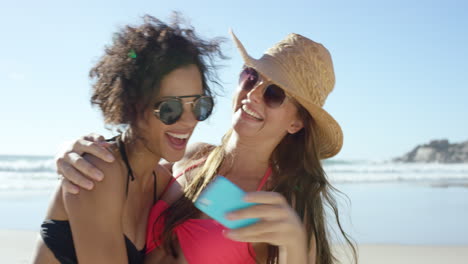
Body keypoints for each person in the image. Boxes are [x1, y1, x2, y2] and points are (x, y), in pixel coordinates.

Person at [56, 31, 357, 263]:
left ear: (296, 124)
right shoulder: (192, 157)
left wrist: (294, 243)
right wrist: (75, 150)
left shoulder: (282, 198)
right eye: (251, 77)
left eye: (275, 94)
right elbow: (128, 175)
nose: (252, 95)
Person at [32, 14, 224, 264]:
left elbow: (241, 221)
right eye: (170, 108)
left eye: (199, 105)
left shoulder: (163, 182)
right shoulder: (97, 171)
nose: (189, 121)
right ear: (133, 105)